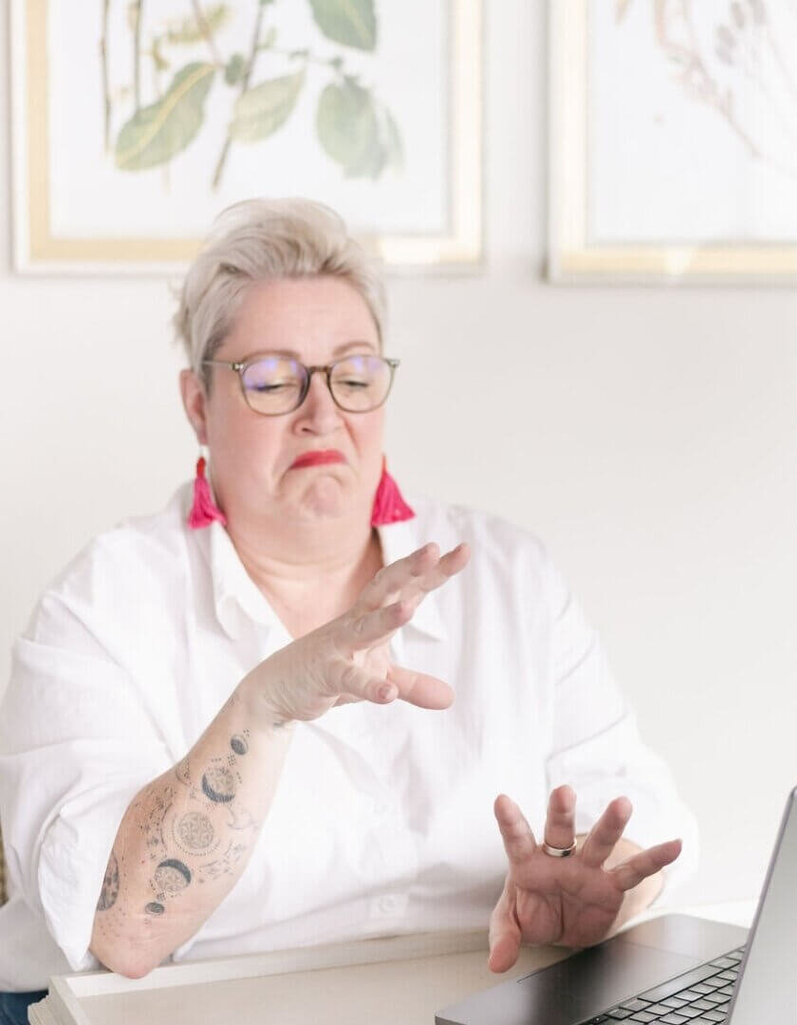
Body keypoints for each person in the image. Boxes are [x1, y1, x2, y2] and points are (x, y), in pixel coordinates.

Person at [0, 198, 696, 1024]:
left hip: (480, 996)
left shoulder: (507, 576)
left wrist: (597, 888)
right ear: (197, 403)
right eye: (272, 379)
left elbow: (641, 810)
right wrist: (264, 707)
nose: (322, 410)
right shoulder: (101, 605)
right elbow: (119, 930)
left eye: (354, 373)